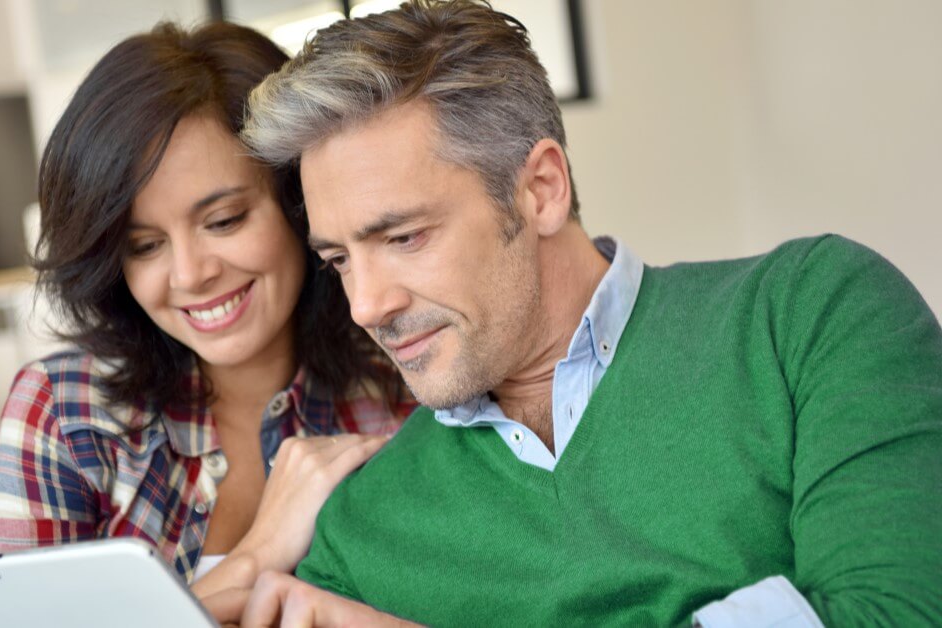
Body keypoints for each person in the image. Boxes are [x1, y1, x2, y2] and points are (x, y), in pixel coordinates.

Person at [232, 1, 942, 625]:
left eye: (404, 237)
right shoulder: (360, 531)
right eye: (339, 260)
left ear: (541, 189)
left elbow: (897, 613)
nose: (367, 305)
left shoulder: (808, 314)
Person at [0, 20, 415, 612]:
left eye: (224, 220)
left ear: (299, 205)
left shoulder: (399, 386)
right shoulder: (67, 413)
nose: (189, 274)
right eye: (144, 245)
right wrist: (256, 556)